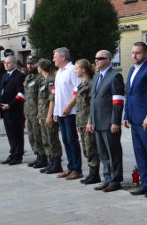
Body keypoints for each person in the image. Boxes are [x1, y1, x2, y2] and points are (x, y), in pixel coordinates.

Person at [122, 42, 147, 197]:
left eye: (137, 53)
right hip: (133, 117)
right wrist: (126, 115)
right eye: (132, 53)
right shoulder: (132, 69)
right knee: (139, 152)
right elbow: (129, 94)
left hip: (145, 118)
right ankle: (145, 184)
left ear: (145, 53)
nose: (134, 56)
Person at [89, 50, 125, 191]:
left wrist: (115, 121)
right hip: (98, 121)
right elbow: (93, 100)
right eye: (95, 58)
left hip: (109, 122)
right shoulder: (97, 76)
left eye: (100, 58)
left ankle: (115, 180)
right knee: (103, 153)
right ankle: (107, 178)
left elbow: (118, 101)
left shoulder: (115, 76)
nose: (96, 61)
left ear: (108, 60)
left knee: (113, 152)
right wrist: (91, 120)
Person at [52, 47, 82, 177]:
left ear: (63, 57)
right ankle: (70, 167)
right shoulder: (59, 71)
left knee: (72, 140)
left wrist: (69, 106)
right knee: (65, 139)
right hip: (61, 112)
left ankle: (77, 169)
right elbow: (57, 93)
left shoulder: (72, 70)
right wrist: (55, 111)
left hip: (70, 111)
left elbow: (77, 90)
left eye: (55, 57)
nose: (53, 59)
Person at [75, 59, 101, 185]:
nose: (75, 71)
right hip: (81, 121)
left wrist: (89, 121)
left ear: (83, 70)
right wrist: (78, 124)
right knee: (85, 149)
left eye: (77, 68)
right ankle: (91, 172)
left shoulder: (90, 84)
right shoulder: (81, 84)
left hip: (88, 121)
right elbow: (79, 106)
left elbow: (92, 105)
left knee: (91, 148)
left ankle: (94, 174)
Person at [0, 55, 26, 165]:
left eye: (8, 63)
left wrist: (11, 105)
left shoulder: (19, 76)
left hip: (14, 110)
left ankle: (18, 155)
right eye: (5, 63)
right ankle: (12, 153)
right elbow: (2, 93)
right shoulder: (4, 76)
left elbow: (21, 94)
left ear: (14, 63)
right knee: (10, 134)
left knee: (17, 134)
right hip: (5, 110)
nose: (6, 64)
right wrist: (0, 110)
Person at [36, 59, 64, 174]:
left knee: (52, 139)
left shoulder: (51, 80)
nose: (37, 68)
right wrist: (39, 114)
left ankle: (57, 163)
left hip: (49, 114)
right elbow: (41, 99)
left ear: (42, 67)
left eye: (38, 66)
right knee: (45, 139)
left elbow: (52, 99)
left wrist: (49, 115)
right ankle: (50, 161)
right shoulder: (43, 80)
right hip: (42, 114)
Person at [24, 60, 47, 169]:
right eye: (28, 64)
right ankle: (37, 155)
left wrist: (39, 112)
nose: (29, 66)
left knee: (38, 135)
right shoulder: (28, 78)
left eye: (32, 64)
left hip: (36, 112)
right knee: (31, 135)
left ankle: (43, 156)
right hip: (28, 111)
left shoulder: (40, 78)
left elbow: (41, 96)